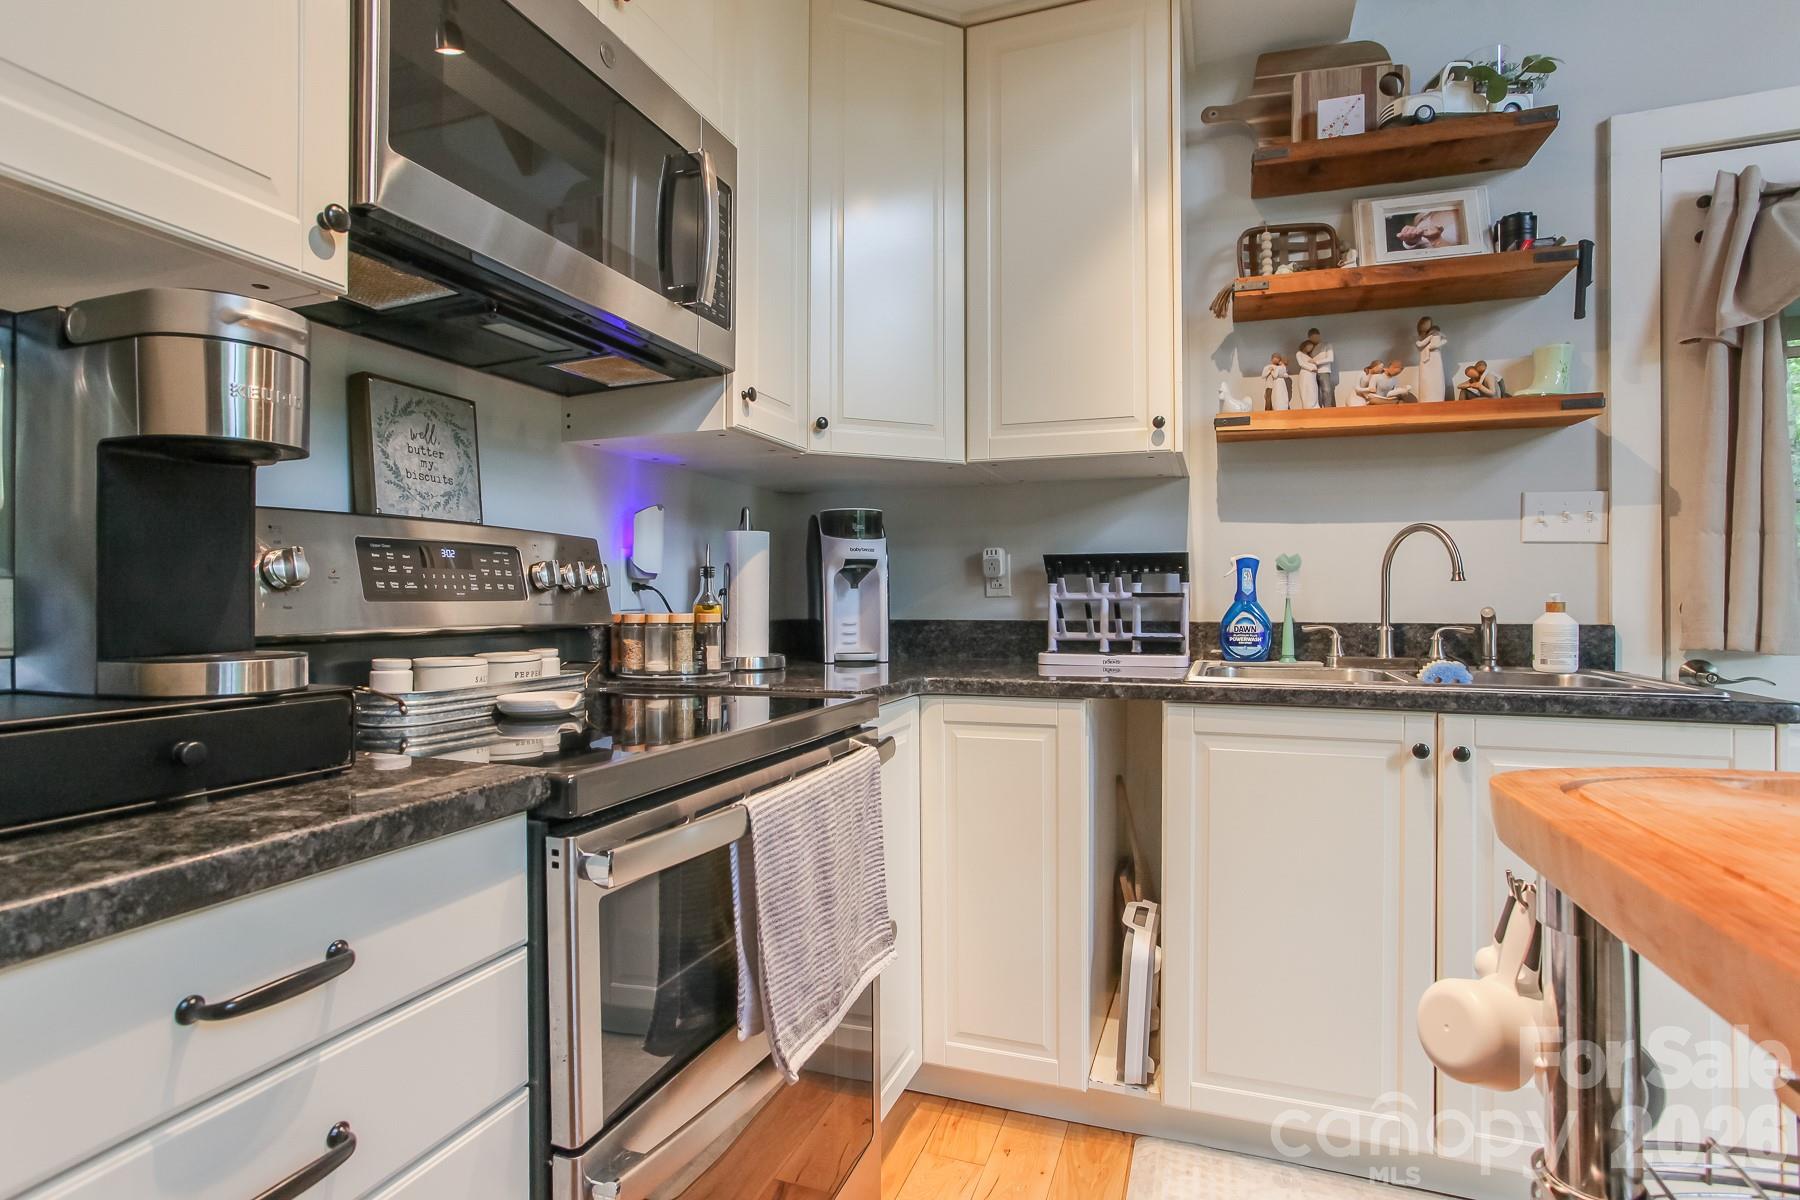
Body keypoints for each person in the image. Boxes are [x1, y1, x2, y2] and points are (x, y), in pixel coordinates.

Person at [1416, 316, 1448, 403]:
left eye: (1429, 323)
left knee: (1437, 379)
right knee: (1426, 380)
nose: (1428, 325)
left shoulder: (1436, 333)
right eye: (1426, 323)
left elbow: (1444, 340)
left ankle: (1438, 399)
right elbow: (1419, 345)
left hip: (1436, 358)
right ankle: (1426, 400)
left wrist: (1436, 344)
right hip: (1425, 361)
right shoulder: (1421, 336)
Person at [1308, 327, 1336, 407]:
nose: (1314, 340)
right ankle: (1318, 409)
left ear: (1319, 336)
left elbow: (1330, 358)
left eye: (1315, 337)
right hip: (1313, 372)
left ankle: (1328, 408)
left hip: (1324, 371)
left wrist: (1316, 362)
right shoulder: (1310, 348)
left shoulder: (1327, 345)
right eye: (1312, 338)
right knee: (1315, 392)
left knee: (1326, 390)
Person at [1294, 339, 1321, 409]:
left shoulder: (1309, 356)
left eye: (1311, 348)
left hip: (1312, 376)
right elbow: (1301, 363)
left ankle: (1314, 405)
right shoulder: (1299, 353)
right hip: (1305, 374)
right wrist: (1311, 368)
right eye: (1309, 347)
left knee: (1313, 389)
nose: (1310, 349)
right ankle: (1308, 406)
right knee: (1307, 390)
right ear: (1305, 346)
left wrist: (1314, 365)